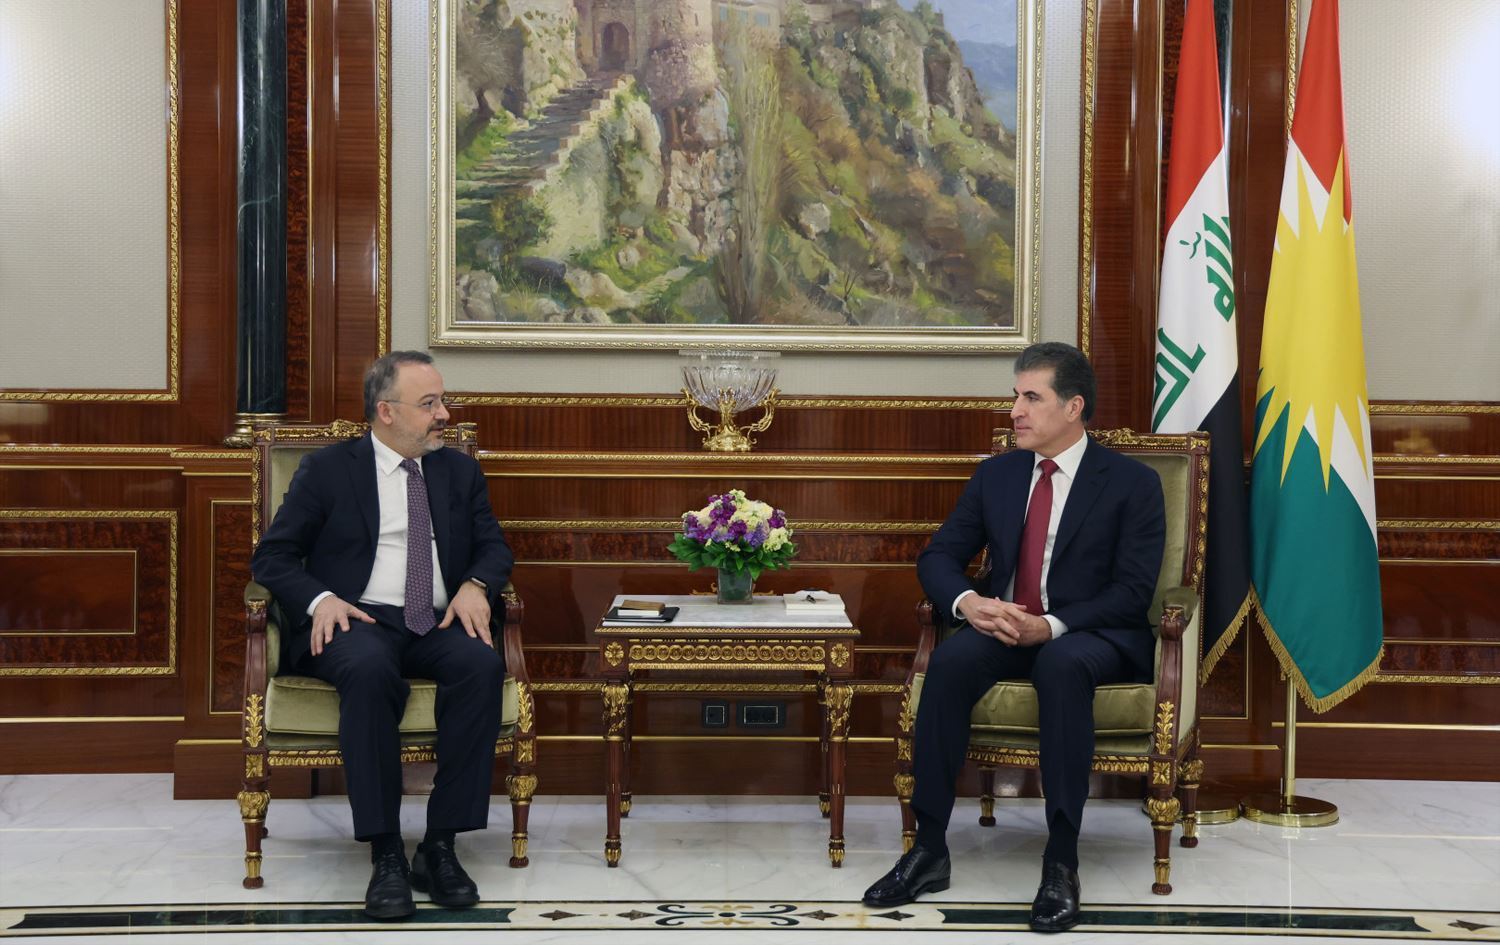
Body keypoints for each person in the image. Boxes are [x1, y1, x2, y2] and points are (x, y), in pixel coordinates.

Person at [862, 342, 1165, 933]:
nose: (1015, 411)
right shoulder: (997, 475)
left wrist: (1048, 626)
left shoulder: (1132, 483)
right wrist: (970, 603)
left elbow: (1133, 593)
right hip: (1004, 626)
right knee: (949, 662)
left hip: (1090, 633)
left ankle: (1061, 862)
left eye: (1031, 397)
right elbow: (939, 555)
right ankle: (929, 850)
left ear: (1073, 407)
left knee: (1061, 664)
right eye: (1015, 396)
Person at [251, 350, 513, 920]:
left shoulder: (459, 472)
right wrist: (321, 600)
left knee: (482, 666)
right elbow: (272, 558)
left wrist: (476, 585)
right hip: (358, 619)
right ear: (386, 411)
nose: (444, 414)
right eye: (430, 404)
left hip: (436, 620)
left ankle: (440, 845)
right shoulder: (328, 470)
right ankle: (386, 851)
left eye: (443, 401)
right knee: (369, 672)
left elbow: (494, 546)